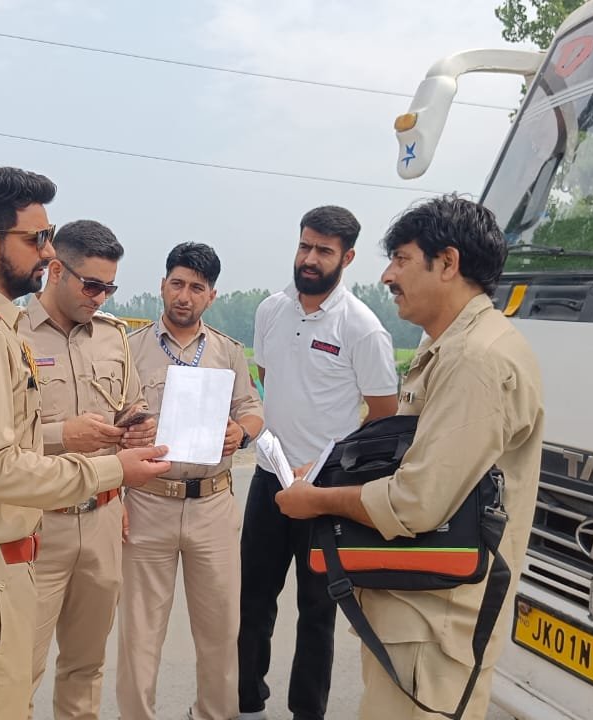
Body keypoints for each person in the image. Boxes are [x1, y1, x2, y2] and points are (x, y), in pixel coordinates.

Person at [0, 166, 170, 720]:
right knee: (0, 700)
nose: (47, 252)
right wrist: (114, 468)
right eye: (35, 239)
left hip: (1, 562)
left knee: (65, 672)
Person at [275, 195, 544, 720]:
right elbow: (407, 454)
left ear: (447, 263)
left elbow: (416, 501)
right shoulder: (448, 345)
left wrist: (318, 500)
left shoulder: (476, 359)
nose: (388, 275)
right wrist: (328, 473)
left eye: (401, 259)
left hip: (436, 627)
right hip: (418, 612)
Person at [238, 206, 399, 720]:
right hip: (269, 480)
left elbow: (383, 415)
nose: (310, 258)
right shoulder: (271, 310)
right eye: (305, 245)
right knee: (253, 602)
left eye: (324, 251)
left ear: (347, 258)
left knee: (317, 611)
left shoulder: (363, 328)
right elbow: (269, 380)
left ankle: (306, 712)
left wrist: (329, 466)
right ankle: (248, 704)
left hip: (325, 492)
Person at [117, 241, 264, 720]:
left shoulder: (228, 351)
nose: (184, 296)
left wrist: (241, 432)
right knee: (140, 634)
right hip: (147, 502)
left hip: (212, 507)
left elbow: (253, 409)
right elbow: (107, 418)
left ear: (211, 295)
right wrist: (123, 437)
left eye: (196, 288)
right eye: (177, 284)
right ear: (162, 285)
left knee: (220, 631)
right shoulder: (128, 349)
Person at [18, 219, 156, 720]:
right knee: (18, 670)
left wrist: (138, 425)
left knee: (85, 666)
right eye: (92, 285)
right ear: (56, 270)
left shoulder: (113, 337)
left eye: (109, 288)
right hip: (37, 523)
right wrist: (62, 435)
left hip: (102, 521)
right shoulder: (10, 335)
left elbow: (130, 404)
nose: (100, 298)